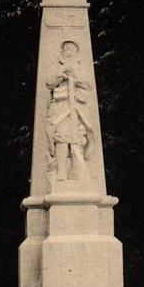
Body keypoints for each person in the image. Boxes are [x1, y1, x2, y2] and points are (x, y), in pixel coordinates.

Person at [45, 40, 94, 181]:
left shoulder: (81, 67)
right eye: (66, 48)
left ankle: (76, 172)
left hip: (78, 108)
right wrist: (62, 75)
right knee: (61, 137)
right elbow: (49, 82)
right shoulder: (56, 67)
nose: (69, 51)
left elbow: (89, 84)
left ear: (76, 52)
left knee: (78, 139)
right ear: (62, 52)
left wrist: (75, 77)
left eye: (72, 48)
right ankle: (61, 171)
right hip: (61, 107)